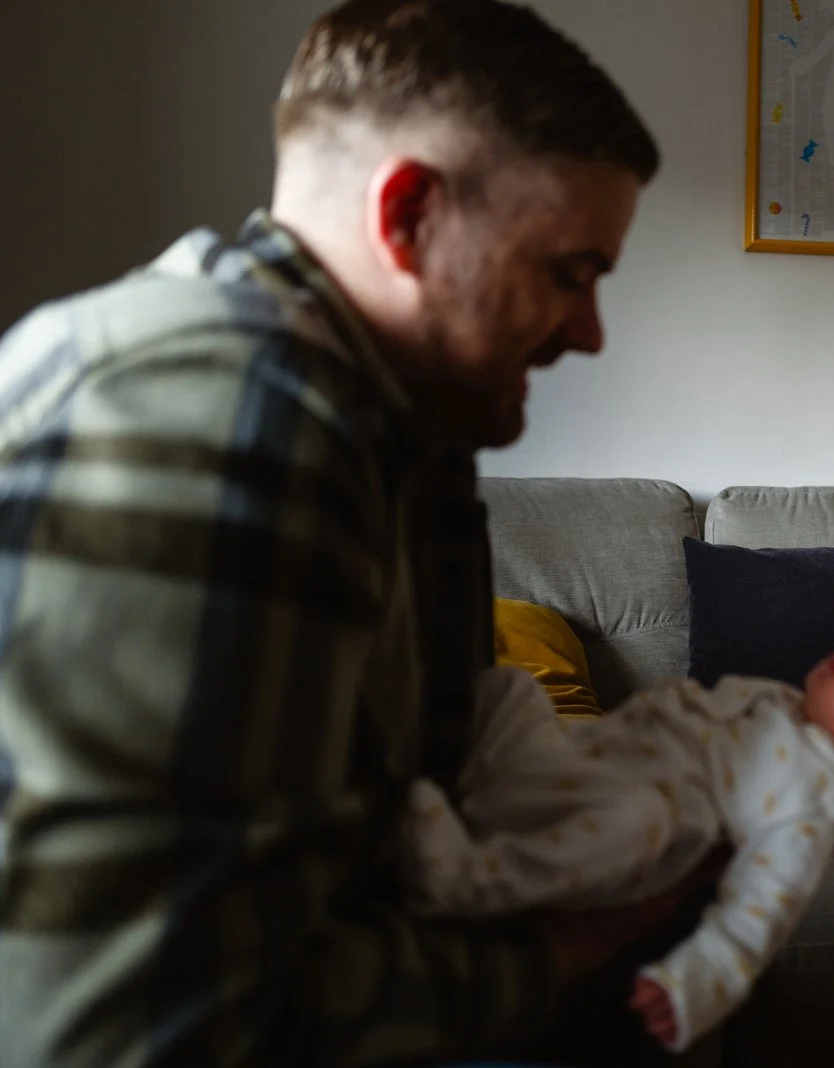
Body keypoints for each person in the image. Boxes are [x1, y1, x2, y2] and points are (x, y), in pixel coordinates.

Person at [0, 2, 693, 1064]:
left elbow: (419, 788)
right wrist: (577, 942)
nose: (589, 333)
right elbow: (138, 1028)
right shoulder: (239, 422)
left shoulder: (402, 418)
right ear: (409, 214)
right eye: (569, 272)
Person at [404, 642, 834, 1053]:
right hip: (586, 762)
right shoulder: (790, 710)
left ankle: (466, 877)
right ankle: (470, 783)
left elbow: (762, 907)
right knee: (510, 689)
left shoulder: (817, 799)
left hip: (624, 823)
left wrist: (697, 980)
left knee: (638, 822)